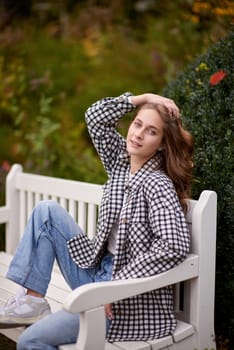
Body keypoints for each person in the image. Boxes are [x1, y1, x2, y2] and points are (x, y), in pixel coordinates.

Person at [0, 92, 194, 349]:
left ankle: (40, 310)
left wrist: (116, 285)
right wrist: (143, 97)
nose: (137, 134)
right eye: (137, 124)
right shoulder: (121, 165)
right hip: (96, 272)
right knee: (46, 212)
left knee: (30, 341)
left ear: (161, 144)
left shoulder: (157, 184)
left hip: (125, 300)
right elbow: (95, 117)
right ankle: (33, 301)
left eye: (151, 131)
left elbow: (174, 245)